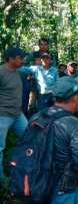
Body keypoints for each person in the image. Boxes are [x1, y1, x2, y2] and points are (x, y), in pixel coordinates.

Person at [49, 76, 78, 203]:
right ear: (76, 98)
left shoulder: (37, 117)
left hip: (37, 184)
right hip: (64, 189)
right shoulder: (75, 125)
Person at [0, 47, 28, 181]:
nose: (22, 60)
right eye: (20, 58)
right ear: (10, 59)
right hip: (3, 116)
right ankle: (1, 180)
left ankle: (21, 169)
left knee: (30, 138)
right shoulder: (1, 72)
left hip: (18, 115)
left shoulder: (18, 71)